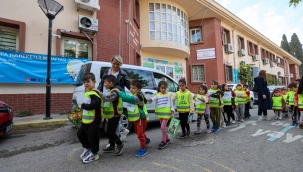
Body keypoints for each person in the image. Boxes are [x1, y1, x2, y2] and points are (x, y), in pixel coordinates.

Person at [97, 55, 130, 142]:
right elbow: (101, 83)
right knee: (108, 118)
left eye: (118, 64)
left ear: (120, 65)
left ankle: (113, 142)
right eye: (114, 63)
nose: (115, 66)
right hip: (105, 96)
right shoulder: (107, 71)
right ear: (111, 62)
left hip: (114, 98)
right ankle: (122, 131)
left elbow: (128, 85)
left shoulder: (123, 74)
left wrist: (118, 89)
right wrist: (98, 92)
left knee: (112, 120)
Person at [114, 80, 151, 156]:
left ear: (139, 89)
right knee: (138, 132)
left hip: (140, 117)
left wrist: (119, 92)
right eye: (130, 87)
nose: (131, 89)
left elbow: (127, 99)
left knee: (140, 133)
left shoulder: (138, 96)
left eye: (133, 88)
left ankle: (143, 148)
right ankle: (146, 140)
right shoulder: (135, 95)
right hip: (137, 118)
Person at [77, 73, 102, 163]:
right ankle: (88, 148)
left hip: (94, 120)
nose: (86, 84)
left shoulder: (94, 94)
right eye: (84, 82)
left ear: (94, 82)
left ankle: (95, 154)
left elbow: (93, 105)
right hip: (86, 120)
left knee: (93, 137)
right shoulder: (87, 93)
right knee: (80, 134)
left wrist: (83, 106)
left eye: (88, 81)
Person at [97, 75, 124, 155]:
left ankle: (120, 144)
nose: (104, 84)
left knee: (110, 132)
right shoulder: (111, 90)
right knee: (109, 131)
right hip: (111, 115)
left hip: (115, 115)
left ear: (111, 83)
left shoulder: (115, 91)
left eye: (105, 82)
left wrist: (99, 93)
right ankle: (112, 146)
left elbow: (108, 99)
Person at [148, 81, 174, 147]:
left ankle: (163, 141)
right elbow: (152, 99)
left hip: (166, 114)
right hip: (160, 115)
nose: (163, 89)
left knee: (162, 127)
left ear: (166, 88)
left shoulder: (169, 95)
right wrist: (147, 99)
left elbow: (172, 104)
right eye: (162, 88)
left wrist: (172, 112)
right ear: (159, 88)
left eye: (164, 88)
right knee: (163, 127)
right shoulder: (157, 95)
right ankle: (167, 138)